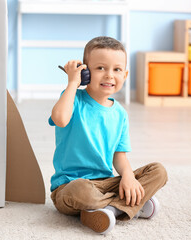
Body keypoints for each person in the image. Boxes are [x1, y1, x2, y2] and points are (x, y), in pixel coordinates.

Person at [48, 36, 168, 235]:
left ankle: (107, 210)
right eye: (100, 68)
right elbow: (60, 119)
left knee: (159, 171)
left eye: (117, 69)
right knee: (82, 191)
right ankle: (130, 206)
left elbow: (119, 156)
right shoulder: (73, 99)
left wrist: (128, 177)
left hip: (105, 182)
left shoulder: (120, 113)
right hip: (71, 187)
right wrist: (72, 83)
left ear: (125, 74)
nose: (109, 75)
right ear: (85, 72)